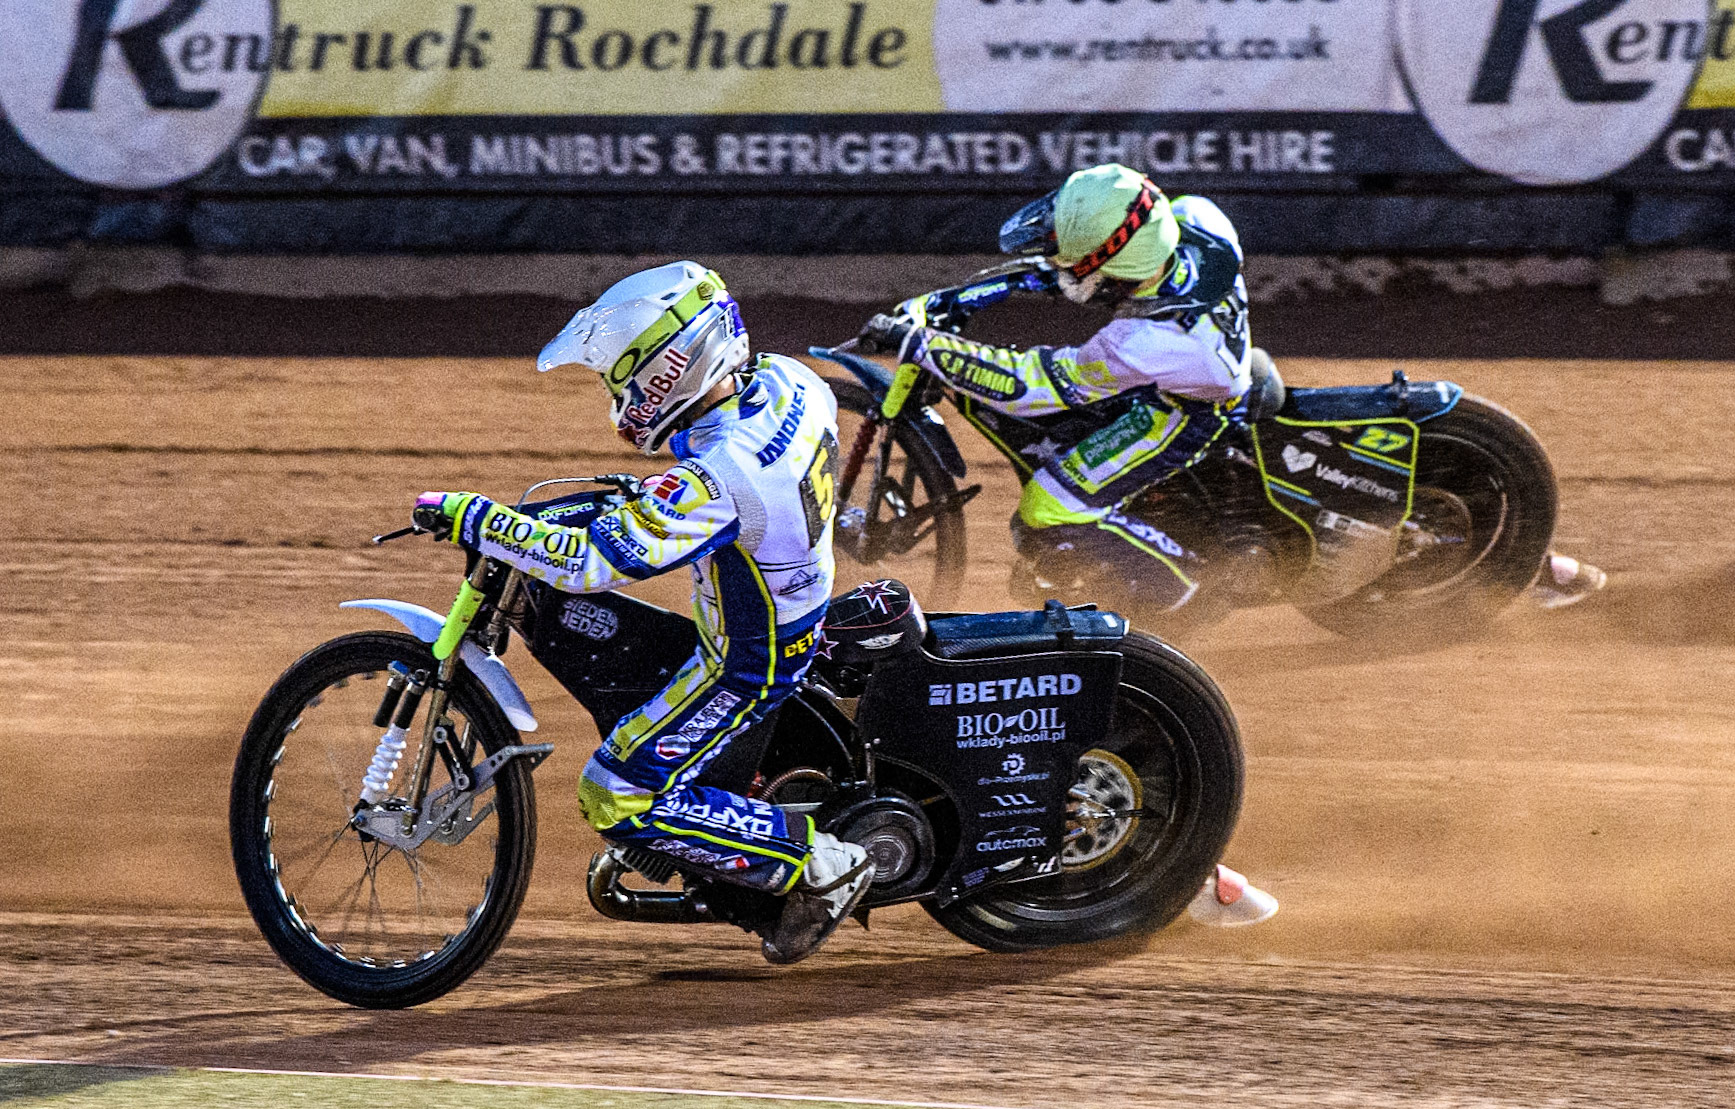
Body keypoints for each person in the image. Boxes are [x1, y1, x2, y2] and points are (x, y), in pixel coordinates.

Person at [861, 163, 1605, 617]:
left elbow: (1034, 386)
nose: (1061, 260)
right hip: (1217, 370)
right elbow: (1065, 271)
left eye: (1077, 256)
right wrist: (962, 302)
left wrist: (927, 346)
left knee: (1048, 508)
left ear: (1120, 262)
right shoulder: (1196, 223)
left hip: (1186, 414)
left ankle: (1185, 593)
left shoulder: (1142, 342)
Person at [410, 261, 873, 964]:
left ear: (668, 369)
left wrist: (476, 518)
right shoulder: (790, 381)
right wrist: (659, 494)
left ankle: (818, 864)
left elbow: (587, 565)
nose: (617, 396)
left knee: (613, 793)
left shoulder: (721, 475)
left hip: (746, 662)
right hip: (791, 599)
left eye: (621, 378)